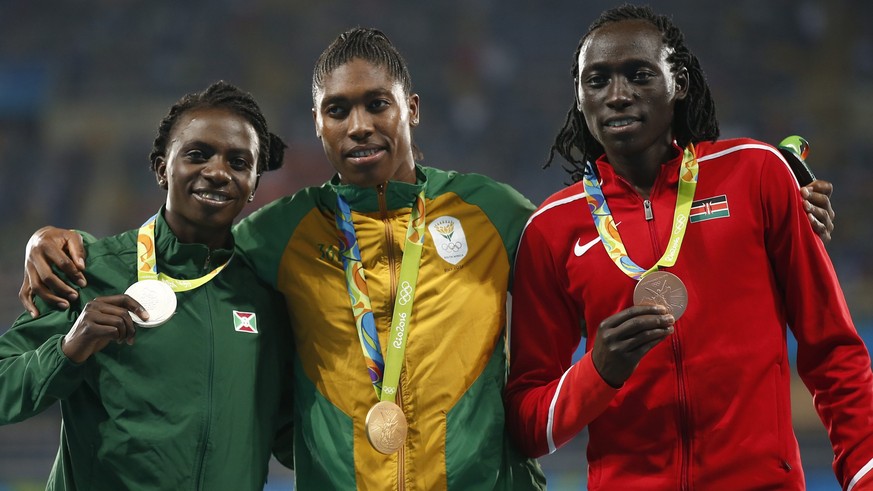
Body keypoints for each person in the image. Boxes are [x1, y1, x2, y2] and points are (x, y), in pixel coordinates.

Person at [16, 27, 838, 491]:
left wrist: (780, 206)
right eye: (337, 110)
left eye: (376, 104)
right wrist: (67, 244)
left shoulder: (496, 212)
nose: (360, 124)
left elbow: (609, 236)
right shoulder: (280, 232)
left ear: (409, 108)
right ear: (318, 124)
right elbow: (191, 244)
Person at [504, 4, 873, 490]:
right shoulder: (551, 229)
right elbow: (528, 427)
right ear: (578, 96)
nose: (617, 95)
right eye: (597, 81)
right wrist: (597, 372)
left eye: (639, 75)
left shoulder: (755, 175)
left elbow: (833, 350)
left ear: (677, 82)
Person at [0, 81, 294, 490]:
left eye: (239, 162)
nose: (217, 171)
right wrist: (68, 350)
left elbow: (288, 436)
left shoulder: (267, 297)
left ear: (254, 186)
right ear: (161, 168)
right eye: (198, 154)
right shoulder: (89, 271)